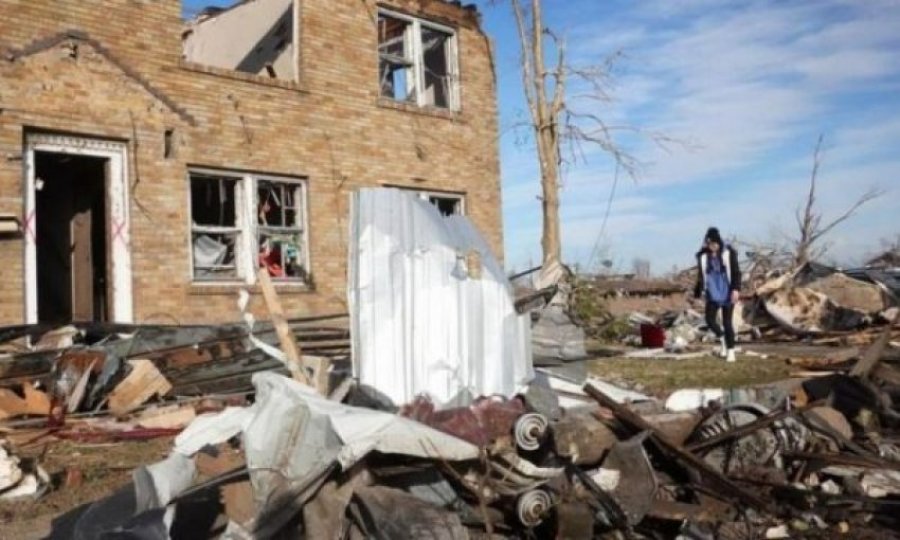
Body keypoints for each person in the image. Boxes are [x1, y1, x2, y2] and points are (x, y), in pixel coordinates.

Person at [693, 227, 741, 362]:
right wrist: (697, 291)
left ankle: (731, 351)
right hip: (712, 291)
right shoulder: (703, 257)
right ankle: (722, 338)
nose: (712, 246)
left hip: (727, 291)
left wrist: (736, 289)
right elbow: (701, 276)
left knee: (727, 322)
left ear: (718, 242)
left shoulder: (728, 253)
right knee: (709, 320)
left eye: (714, 243)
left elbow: (736, 272)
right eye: (709, 244)